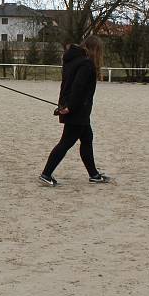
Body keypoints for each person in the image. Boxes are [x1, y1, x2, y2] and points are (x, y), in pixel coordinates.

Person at [39, 36, 111, 186]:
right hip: (77, 109)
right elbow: (78, 87)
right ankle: (46, 174)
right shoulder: (86, 64)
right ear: (95, 50)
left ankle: (94, 175)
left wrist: (66, 104)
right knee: (66, 142)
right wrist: (70, 107)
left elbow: (69, 85)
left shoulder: (72, 60)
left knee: (87, 138)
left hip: (74, 107)